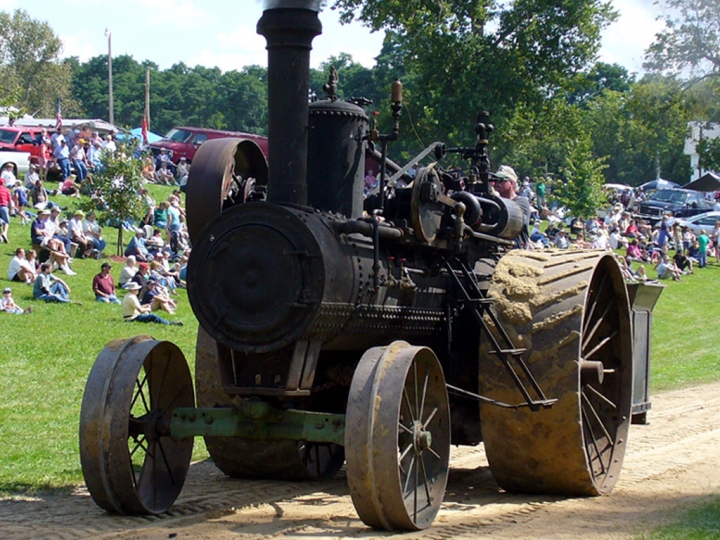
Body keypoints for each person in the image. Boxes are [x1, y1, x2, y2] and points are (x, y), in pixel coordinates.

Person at [492, 165, 531, 248]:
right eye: (495, 180)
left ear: (511, 183)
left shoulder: (521, 202)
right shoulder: (493, 203)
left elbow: (515, 221)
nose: (496, 184)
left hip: (516, 251)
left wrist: (496, 197)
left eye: (501, 180)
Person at [0, 177, 12, 243]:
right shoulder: (6, 190)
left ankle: (0, 237)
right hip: (4, 207)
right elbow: (10, 201)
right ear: (3, 183)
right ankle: (5, 233)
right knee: (6, 222)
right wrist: (11, 209)